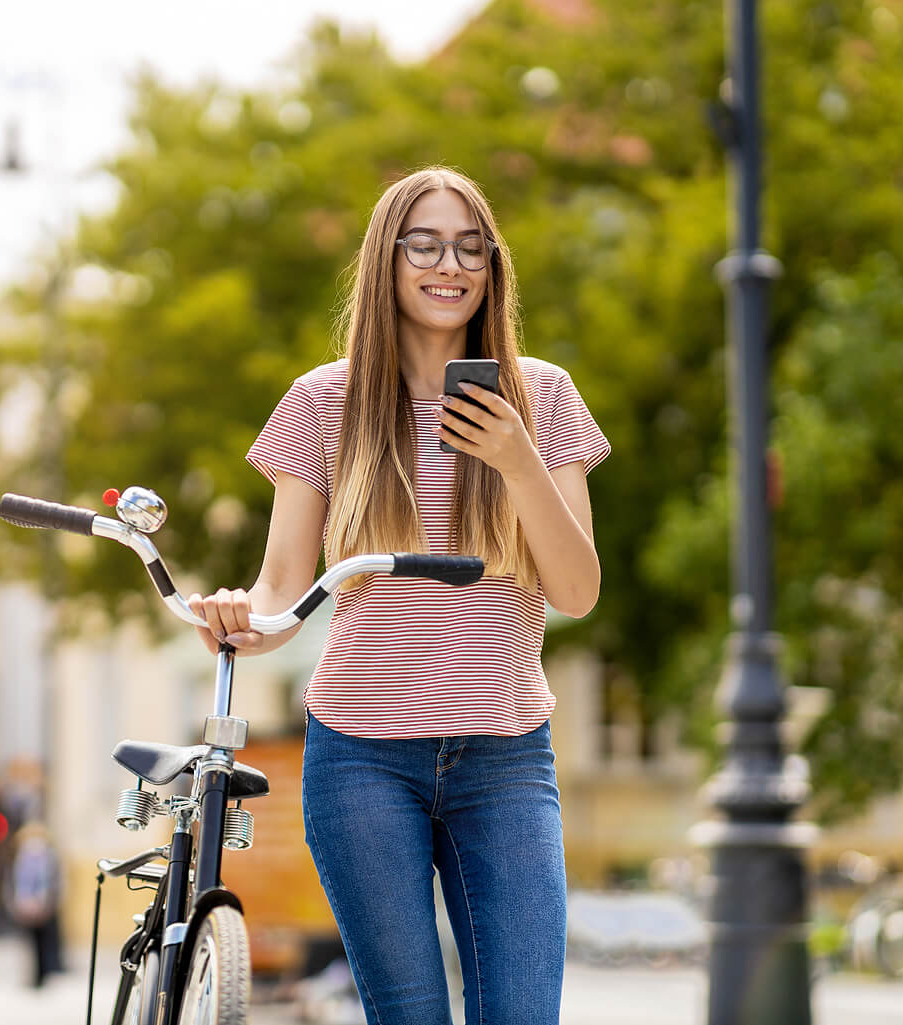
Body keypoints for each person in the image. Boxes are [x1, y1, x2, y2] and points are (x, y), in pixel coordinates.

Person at [188, 166, 609, 1025]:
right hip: (362, 758)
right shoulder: (323, 401)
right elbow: (282, 587)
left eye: (469, 246)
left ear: (493, 267)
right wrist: (240, 617)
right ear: (387, 258)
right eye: (424, 243)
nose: (447, 263)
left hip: (505, 755)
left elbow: (577, 589)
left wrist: (516, 456)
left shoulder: (544, 396)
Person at [6, 822, 63, 988]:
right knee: (33, 942)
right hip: (31, 905)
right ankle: (37, 975)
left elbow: (51, 883)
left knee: (41, 942)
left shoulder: (43, 859)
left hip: (38, 906)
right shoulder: (26, 859)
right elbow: (16, 883)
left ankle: (42, 974)